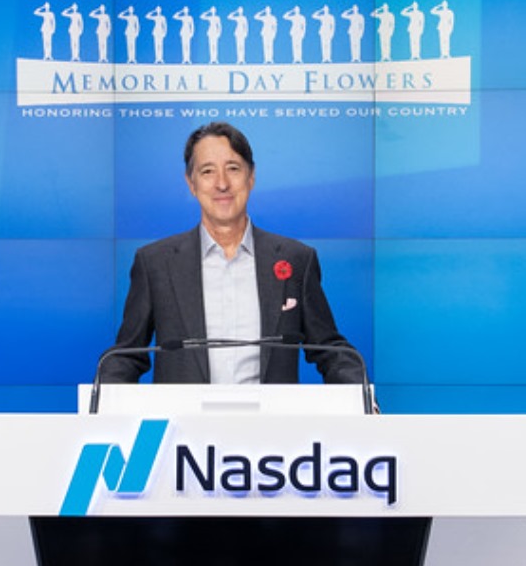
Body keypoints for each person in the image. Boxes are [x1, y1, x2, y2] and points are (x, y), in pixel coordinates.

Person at [102, 121, 363, 386]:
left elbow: (331, 351)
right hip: (185, 424)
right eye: (207, 172)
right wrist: (99, 408)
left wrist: (365, 401)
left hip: (272, 425)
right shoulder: (155, 263)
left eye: (233, 169)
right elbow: (126, 355)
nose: (222, 184)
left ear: (251, 177)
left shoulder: (297, 259)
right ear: (191, 183)